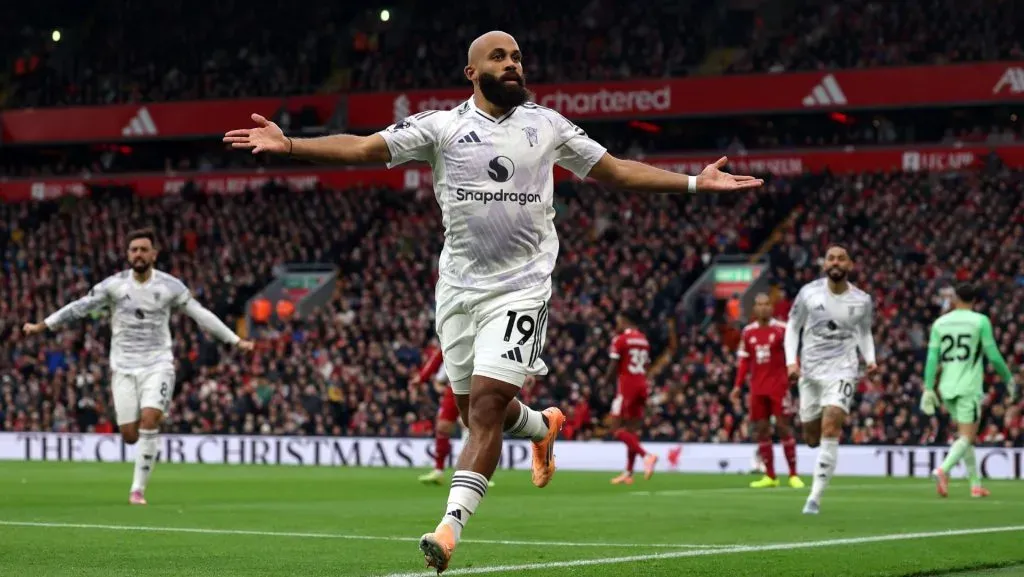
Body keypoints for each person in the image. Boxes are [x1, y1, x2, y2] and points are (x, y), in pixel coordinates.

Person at [224, 30, 763, 574]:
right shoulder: (442, 126)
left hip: (523, 288)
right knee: (478, 412)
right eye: (499, 57)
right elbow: (365, 146)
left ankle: (449, 528)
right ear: (472, 72)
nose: (512, 65)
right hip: (458, 290)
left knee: (482, 409)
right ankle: (540, 426)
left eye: (517, 58)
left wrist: (694, 183)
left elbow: (616, 169)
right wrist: (292, 145)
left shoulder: (547, 125)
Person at [23, 228, 253, 504]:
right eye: (134, 250)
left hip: (158, 363)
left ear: (154, 254)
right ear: (128, 255)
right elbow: (79, 307)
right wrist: (44, 325)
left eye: (144, 249)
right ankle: (148, 432)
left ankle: (137, 490)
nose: (139, 254)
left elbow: (201, 315)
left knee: (149, 419)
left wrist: (235, 340)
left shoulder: (170, 287)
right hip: (123, 367)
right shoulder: (114, 286)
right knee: (130, 435)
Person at [784, 245, 876, 515]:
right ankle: (820, 447)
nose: (836, 262)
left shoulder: (862, 300)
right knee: (811, 438)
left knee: (832, 422)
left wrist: (869, 359)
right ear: (824, 264)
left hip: (843, 368)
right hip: (810, 372)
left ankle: (814, 498)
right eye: (831, 258)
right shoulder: (808, 293)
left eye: (841, 258)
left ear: (850, 264)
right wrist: (791, 361)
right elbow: (792, 327)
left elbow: (864, 332)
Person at [920, 283, 1017, 498]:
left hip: (946, 387)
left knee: (965, 437)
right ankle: (942, 470)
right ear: (975, 301)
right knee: (967, 436)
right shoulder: (980, 321)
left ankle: (975, 485)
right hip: (968, 386)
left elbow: (932, 358)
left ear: (954, 299)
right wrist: (1009, 380)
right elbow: (993, 355)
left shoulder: (940, 323)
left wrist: (928, 387)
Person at [734, 293, 802, 489]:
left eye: (766, 304)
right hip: (757, 389)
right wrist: (737, 386)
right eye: (759, 305)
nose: (763, 308)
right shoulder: (747, 332)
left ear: (771, 308)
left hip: (778, 388)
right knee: (762, 430)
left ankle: (793, 474)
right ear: (754, 309)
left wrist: (795, 368)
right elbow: (744, 361)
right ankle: (770, 476)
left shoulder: (782, 329)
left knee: (783, 427)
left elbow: (792, 354)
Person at [413, 344, 495, 488]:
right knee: (443, 426)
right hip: (455, 386)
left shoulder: (484, 333)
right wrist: (421, 378)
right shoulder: (452, 334)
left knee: (477, 428)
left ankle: (478, 473)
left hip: (480, 386)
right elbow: (438, 357)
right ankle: (438, 471)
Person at [605, 310, 657, 484]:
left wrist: (604, 383)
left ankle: (646, 456)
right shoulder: (644, 340)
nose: (617, 325)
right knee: (632, 432)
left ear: (624, 320)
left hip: (627, 387)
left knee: (615, 428)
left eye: (618, 321)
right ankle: (628, 472)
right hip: (642, 385)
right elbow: (646, 365)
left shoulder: (621, 340)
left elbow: (614, 365)